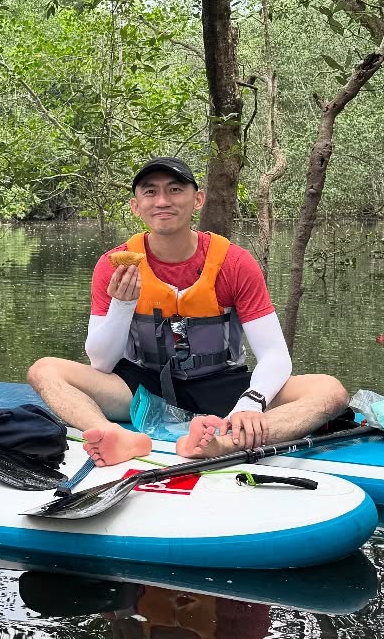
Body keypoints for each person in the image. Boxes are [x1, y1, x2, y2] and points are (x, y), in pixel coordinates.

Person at [27, 157, 347, 465]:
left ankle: (221, 442)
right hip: (141, 389)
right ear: (136, 206)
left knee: (330, 392)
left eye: (175, 189)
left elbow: (275, 355)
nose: (162, 200)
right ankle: (114, 435)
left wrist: (250, 405)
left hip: (221, 385)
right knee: (45, 370)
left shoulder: (234, 263)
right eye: (150, 192)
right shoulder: (115, 264)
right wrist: (123, 305)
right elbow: (101, 361)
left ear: (197, 200)